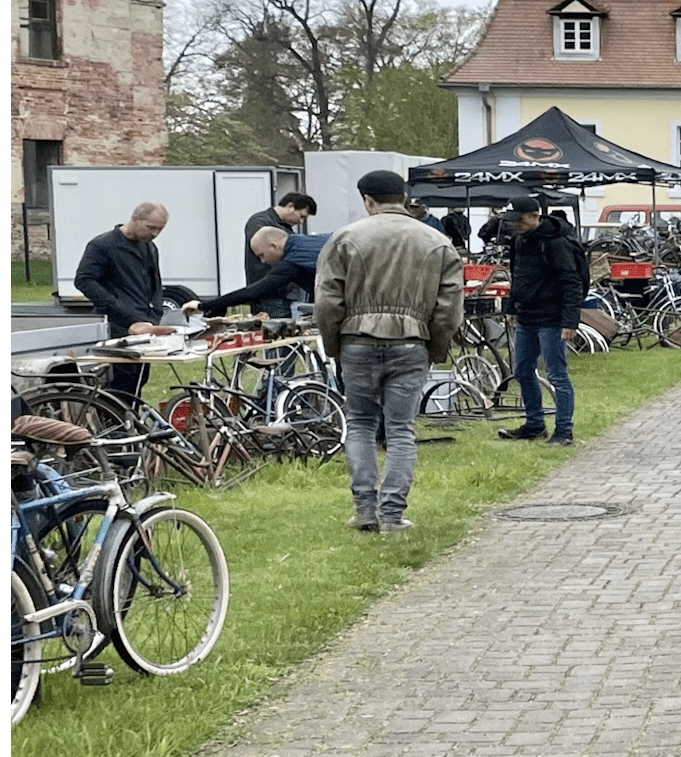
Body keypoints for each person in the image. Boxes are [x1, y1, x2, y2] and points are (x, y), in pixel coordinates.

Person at [314, 169, 462, 533]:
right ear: (405, 197)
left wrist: (334, 346)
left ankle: (365, 509)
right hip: (412, 342)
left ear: (368, 200)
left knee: (361, 424)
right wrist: (435, 348)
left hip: (357, 340)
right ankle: (393, 515)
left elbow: (327, 301)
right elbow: (449, 308)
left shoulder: (345, 238)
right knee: (400, 430)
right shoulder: (437, 241)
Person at [496, 195, 584, 447]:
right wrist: (513, 306)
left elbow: (571, 282)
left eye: (518, 220)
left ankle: (564, 431)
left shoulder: (556, 243)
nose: (514, 225)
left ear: (534, 217)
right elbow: (518, 275)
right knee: (522, 371)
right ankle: (534, 425)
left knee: (557, 375)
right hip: (527, 316)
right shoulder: (520, 240)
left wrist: (570, 320)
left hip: (553, 318)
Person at [73, 201, 173, 404]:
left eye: (160, 229)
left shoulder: (150, 247)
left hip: (145, 326)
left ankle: (130, 424)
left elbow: (154, 283)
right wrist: (117, 308)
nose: (155, 233)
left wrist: (156, 313)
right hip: (116, 327)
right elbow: (84, 280)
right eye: (151, 227)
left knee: (139, 379)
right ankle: (115, 429)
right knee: (121, 383)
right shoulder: (102, 245)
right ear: (135, 219)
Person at [182, 227, 328, 318]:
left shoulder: (292, 261)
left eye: (262, 255)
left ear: (274, 246)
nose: (263, 262)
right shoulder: (307, 240)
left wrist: (203, 306)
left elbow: (254, 291)